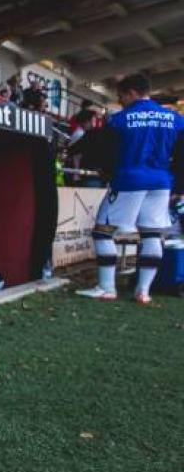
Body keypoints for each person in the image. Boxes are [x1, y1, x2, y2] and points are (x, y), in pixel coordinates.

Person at [77, 74, 184, 303]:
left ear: (132, 92)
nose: (120, 100)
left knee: (102, 231)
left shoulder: (120, 119)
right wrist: (179, 184)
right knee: (152, 233)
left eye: (121, 95)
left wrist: (107, 173)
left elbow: (105, 153)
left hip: (129, 180)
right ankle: (143, 291)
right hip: (161, 183)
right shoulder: (175, 119)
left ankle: (107, 287)